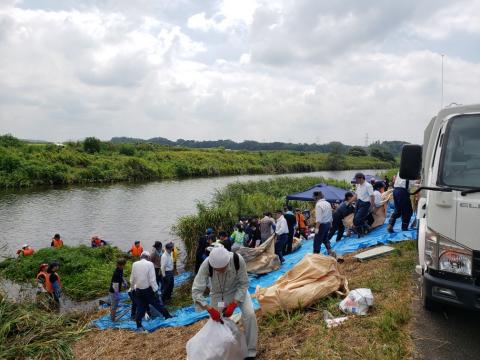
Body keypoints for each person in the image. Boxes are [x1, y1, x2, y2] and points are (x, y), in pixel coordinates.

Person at [192, 247, 258, 360]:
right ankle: (222, 352)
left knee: (250, 315)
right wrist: (209, 309)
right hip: (218, 294)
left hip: (237, 289)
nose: (221, 271)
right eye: (218, 270)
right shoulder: (206, 265)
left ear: (228, 261)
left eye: (223, 268)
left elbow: (244, 283)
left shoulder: (238, 259)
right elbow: (196, 290)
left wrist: (234, 304)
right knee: (218, 323)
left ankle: (250, 352)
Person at [130, 251, 172, 332]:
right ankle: (167, 316)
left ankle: (138, 324)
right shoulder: (150, 264)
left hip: (138, 290)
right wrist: (156, 290)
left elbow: (132, 279)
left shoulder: (134, 264)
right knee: (158, 304)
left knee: (140, 308)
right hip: (148, 290)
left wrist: (132, 288)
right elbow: (152, 280)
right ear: (148, 258)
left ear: (141, 257)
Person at [353, 173, 375, 237]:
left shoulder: (368, 185)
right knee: (355, 220)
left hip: (365, 203)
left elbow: (372, 196)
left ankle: (363, 232)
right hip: (358, 202)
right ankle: (365, 229)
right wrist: (349, 202)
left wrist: (372, 206)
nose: (356, 181)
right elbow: (356, 195)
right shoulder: (358, 185)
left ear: (361, 178)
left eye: (357, 179)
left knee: (358, 219)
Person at [313, 191, 334, 255]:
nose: (313, 199)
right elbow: (330, 215)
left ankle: (316, 255)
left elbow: (318, 219)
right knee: (325, 238)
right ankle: (330, 251)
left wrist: (316, 228)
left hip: (322, 225)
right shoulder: (327, 203)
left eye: (314, 197)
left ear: (316, 197)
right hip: (327, 224)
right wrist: (330, 224)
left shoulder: (318, 205)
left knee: (317, 241)